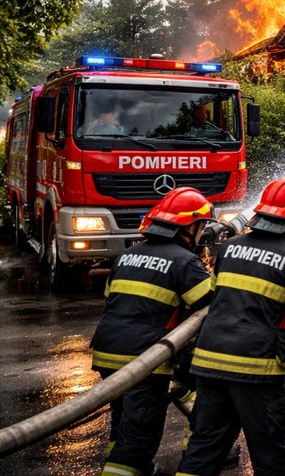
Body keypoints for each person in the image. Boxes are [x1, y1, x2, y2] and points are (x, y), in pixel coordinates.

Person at [175, 177, 285, 476]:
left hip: (210, 361)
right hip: (258, 368)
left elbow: (215, 299)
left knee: (204, 450)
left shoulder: (228, 249)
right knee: (271, 455)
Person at [91, 187, 216, 476]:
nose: (203, 232)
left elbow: (111, 298)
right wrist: (207, 268)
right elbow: (210, 307)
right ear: (189, 226)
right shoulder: (185, 262)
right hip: (144, 359)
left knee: (122, 421)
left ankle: (137, 468)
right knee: (140, 433)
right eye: (202, 226)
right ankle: (126, 469)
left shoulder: (127, 256)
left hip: (108, 351)